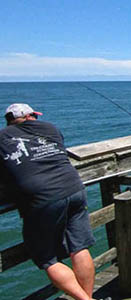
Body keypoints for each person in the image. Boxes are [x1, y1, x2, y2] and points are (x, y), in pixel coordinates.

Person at [1, 104, 98, 300]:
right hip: (74, 187)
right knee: (79, 247)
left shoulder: (2, 137)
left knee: (47, 259)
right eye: (34, 116)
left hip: (41, 197)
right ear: (28, 117)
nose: (36, 119)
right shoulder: (50, 128)